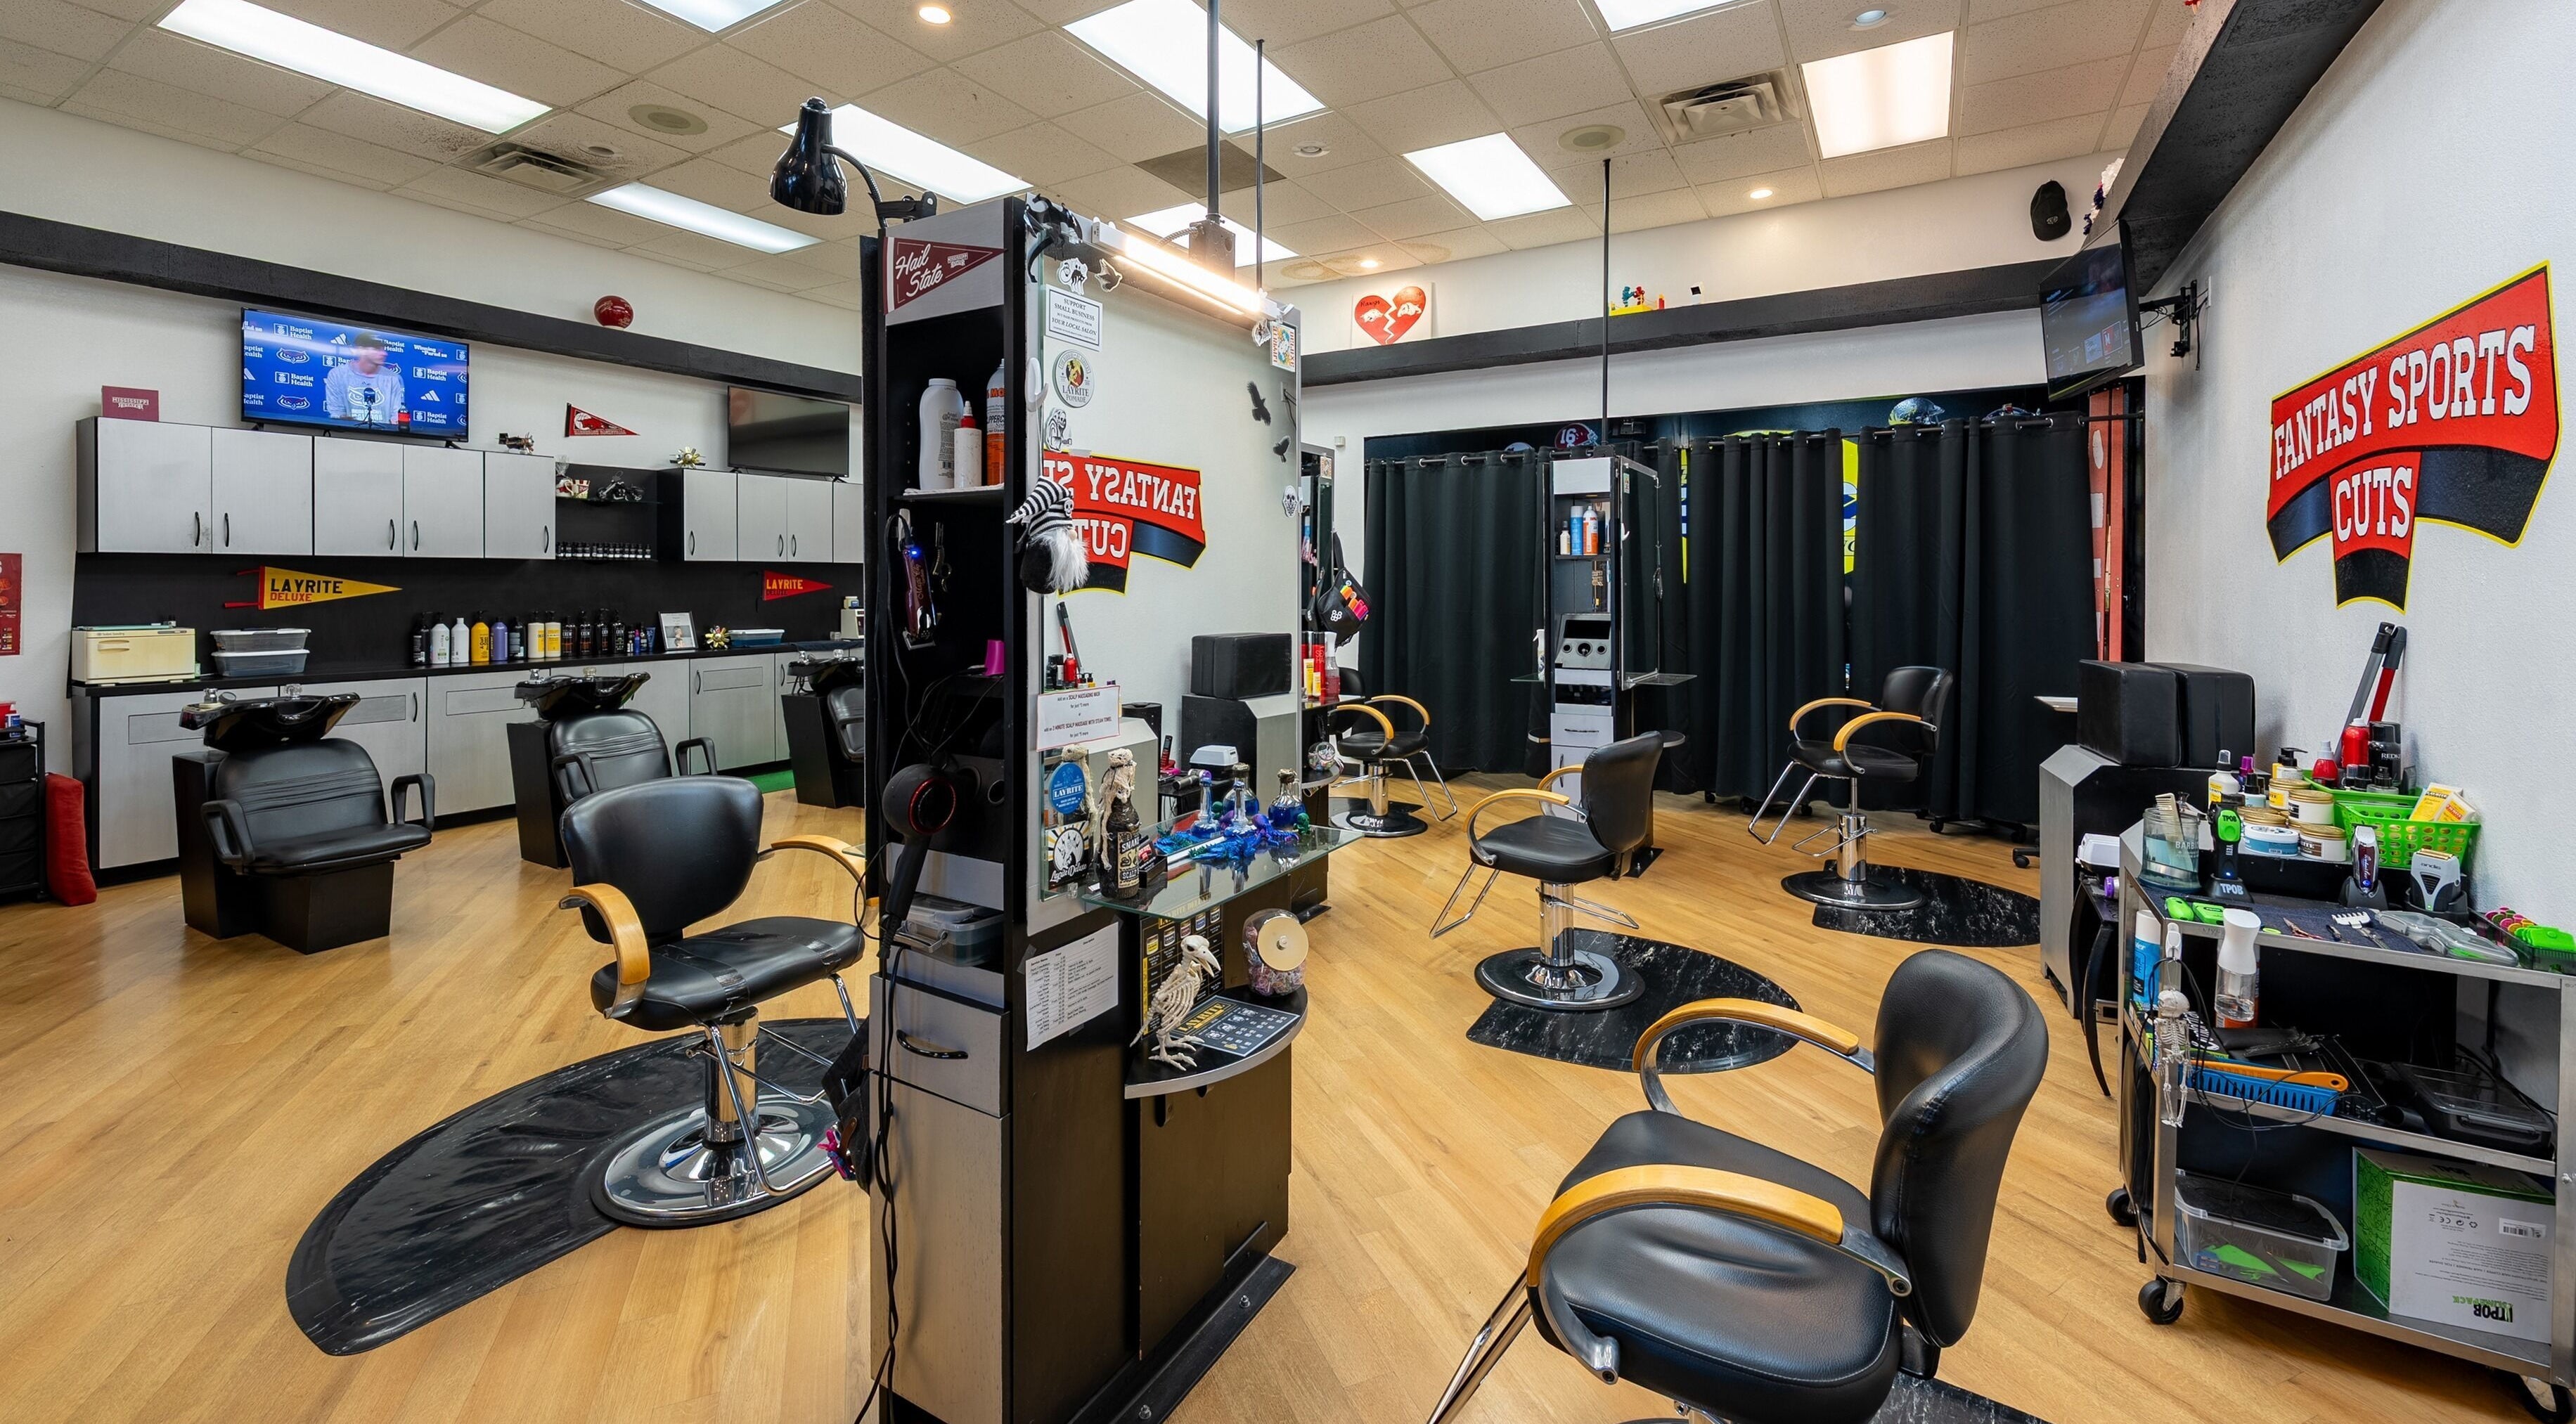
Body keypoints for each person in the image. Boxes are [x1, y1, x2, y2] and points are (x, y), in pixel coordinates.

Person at [324, 332, 405, 426]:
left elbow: (396, 415)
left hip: (383, 437)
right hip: (348, 436)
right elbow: (337, 414)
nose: (384, 353)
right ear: (361, 350)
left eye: (384, 349)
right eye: (377, 349)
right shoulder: (337, 374)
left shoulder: (393, 378)